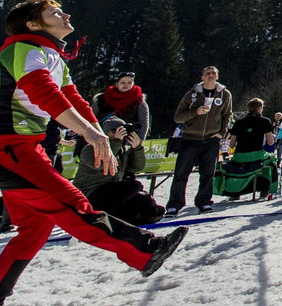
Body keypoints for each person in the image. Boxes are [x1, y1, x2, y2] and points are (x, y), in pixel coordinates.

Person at [0, 0, 187, 306]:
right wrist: (92, 135)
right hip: (0, 147)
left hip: (22, 148)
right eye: (54, 13)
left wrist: (97, 134)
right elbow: (45, 94)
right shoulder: (24, 50)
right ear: (32, 24)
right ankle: (144, 250)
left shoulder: (52, 57)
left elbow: (76, 101)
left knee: (36, 226)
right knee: (72, 204)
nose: (66, 14)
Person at [74, 116, 164, 226]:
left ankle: (140, 218)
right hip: (90, 195)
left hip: (112, 196)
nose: (121, 134)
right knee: (134, 186)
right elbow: (101, 164)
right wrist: (116, 141)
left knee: (144, 201)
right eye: (115, 131)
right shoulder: (91, 148)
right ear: (106, 133)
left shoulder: (123, 150)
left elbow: (137, 167)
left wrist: (137, 148)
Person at [166, 66, 233, 216]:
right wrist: (195, 112)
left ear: (217, 76)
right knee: (181, 173)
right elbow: (178, 116)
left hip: (211, 139)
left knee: (208, 173)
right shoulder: (192, 94)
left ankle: (204, 202)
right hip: (189, 138)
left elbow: (227, 115)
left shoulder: (224, 94)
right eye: (208, 73)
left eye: (214, 73)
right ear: (202, 76)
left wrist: (221, 133)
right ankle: (175, 204)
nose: (211, 75)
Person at [91, 71, 151, 142]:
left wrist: (140, 140)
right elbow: (90, 116)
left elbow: (144, 123)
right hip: (101, 137)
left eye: (129, 83)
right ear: (117, 84)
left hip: (127, 140)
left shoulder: (139, 101)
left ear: (133, 84)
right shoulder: (103, 99)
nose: (126, 85)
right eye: (122, 82)